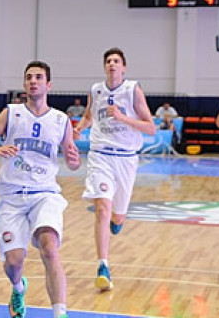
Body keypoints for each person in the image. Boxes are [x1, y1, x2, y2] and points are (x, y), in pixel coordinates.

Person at [0, 61, 80, 318]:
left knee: (49, 247)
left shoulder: (60, 120)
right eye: (29, 77)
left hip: (45, 194)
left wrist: (74, 161)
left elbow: (71, 159)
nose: (33, 81)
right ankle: (18, 287)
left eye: (39, 77)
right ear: (24, 84)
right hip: (11, 196)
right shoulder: (10, 113)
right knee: (13, 263)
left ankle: (60, 313)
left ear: (48, 84)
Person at [74, 48, 155, 291]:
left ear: (124, 67)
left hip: (126, 159)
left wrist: (122, 117)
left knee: (117, 216)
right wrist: (79, 128)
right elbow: (89, 116)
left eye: (116, 61)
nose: (112, 64)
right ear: (104, 66)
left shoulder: (132, 90)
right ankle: (103, 266)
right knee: (102, 207)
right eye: (108, 61)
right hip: (100, 155)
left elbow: (150, 128)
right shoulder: (96, 90)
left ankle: (117, 221)